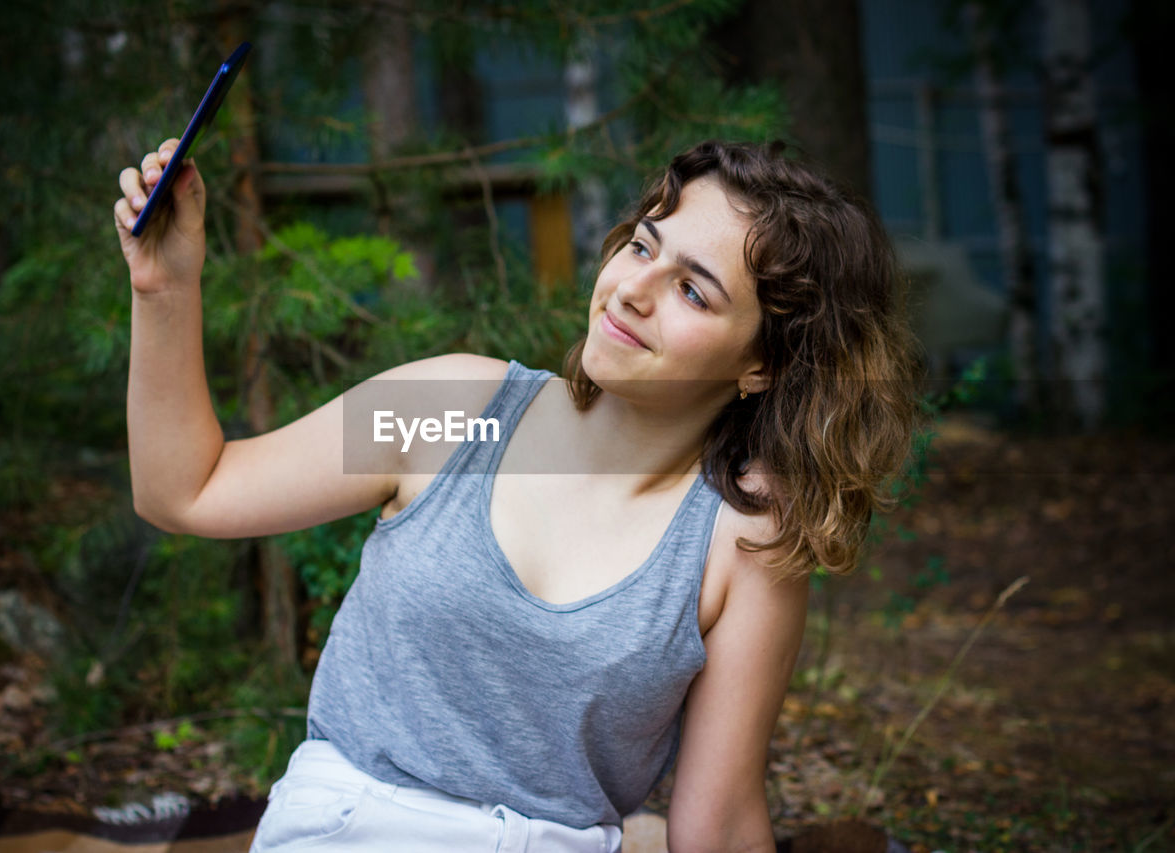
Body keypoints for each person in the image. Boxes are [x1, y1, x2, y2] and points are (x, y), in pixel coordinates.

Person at [113, 139, 921, 852]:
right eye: (643, 246)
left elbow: (716, 826)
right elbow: (189, 490)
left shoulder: (736, 538)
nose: (634, 290)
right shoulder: (455, 414)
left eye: (694, 291)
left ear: (764, 366)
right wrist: (165, 288)